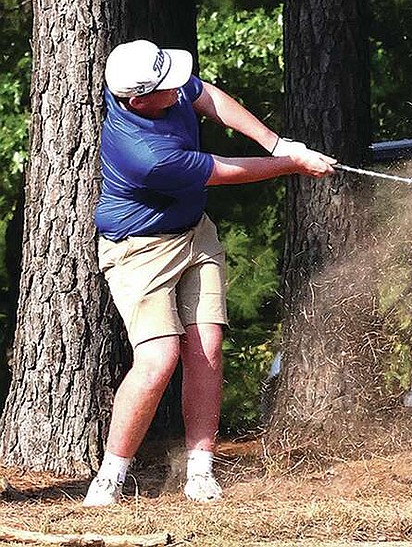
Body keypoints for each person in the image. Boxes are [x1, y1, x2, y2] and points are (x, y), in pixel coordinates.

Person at [83, 39, 335, 507]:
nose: (179, 88)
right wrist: (294, 164)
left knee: (207, 347)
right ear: (137, 101)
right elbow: (227, 171)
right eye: (167, 88)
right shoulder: (144, 153)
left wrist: (278, 142)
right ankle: (111, 476)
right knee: (159, 360)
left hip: (195, 233)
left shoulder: (155, 86)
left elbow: (208, 96)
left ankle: (200, 470)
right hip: (140, 251)